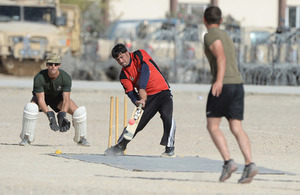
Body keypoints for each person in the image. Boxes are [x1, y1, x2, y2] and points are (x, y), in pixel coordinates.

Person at [203, 6, 258, 184]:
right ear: (220, 20)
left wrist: (218, 81)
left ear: (204, 21)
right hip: (237, 85)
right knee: (236, 127)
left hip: (223, 85)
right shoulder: (226, 34)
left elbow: (221, 57)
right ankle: (249, 164)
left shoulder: (210, 35)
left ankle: (228, 162)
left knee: (212, 126)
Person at [104, 43, 176, 157]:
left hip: (163, 92)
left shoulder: (139, 54)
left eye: (122, 57)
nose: (121, 61)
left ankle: (169, 148)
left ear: (127, 53)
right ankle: (120, 146)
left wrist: (142, 89)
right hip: (148, 99)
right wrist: (137, 101)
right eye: (118, 60)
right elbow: (130, 92)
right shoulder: (123, 75)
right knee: (135, 123)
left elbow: (145, 70)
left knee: (168, 117)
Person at [19, 53, 90, 146]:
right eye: (51, 64)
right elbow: (41, 99)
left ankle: (81, 138)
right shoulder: (39, 77)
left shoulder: (66, 78)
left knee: (79, 112)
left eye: (56, 64)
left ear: (59, 65)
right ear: (47, 65)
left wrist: (63, 114)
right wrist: (50, 115)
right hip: (43, 98)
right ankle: (26, 138)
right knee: (30, 108)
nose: (53, 66)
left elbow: (66, 99)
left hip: (57, 99)